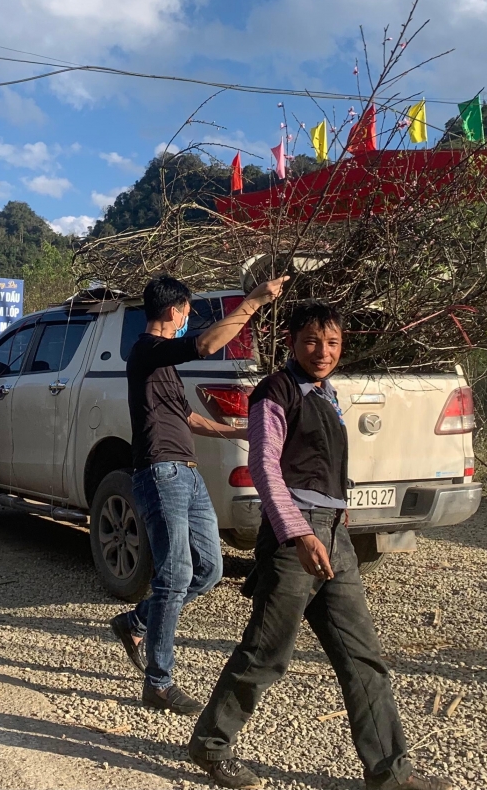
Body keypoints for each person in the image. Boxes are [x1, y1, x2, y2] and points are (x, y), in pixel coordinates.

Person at [187, 301, 451, 790]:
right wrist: (299, 532)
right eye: (311, 341)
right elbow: (266, 467)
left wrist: (338, 517)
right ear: (291, 342)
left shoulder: (327, 394)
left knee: (362, 657)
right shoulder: (275, 392)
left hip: (333, 534)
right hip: (294, 539)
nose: (322, 351)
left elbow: (322, 465)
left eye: (331, 342)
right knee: (267, 654)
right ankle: (210, 744)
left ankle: (391, 772)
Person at [109, 274, 288, 716]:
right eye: (187, 310)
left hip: (185, 473)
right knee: (173, 575)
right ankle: (159, 682)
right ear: (173, 311)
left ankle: (135, 622)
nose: (188, 318)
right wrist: (254, 302)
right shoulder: (148, 351)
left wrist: (241, 430)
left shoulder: (163, 369)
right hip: (159, 471)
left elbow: (188, 416)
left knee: (209, 570)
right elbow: (207, 345)